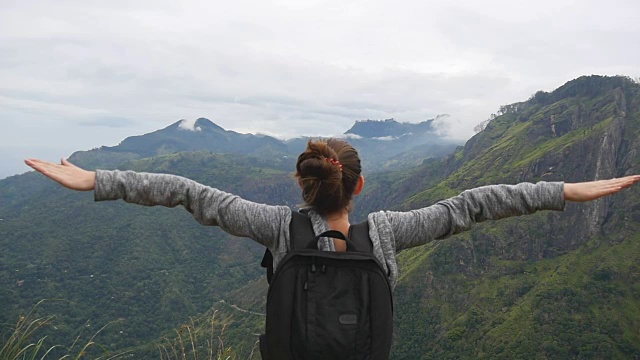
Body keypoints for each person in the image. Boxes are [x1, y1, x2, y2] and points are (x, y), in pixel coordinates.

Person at [25, 138, 640, 289]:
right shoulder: (391, 234)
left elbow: (187, 191)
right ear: (360, 185)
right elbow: (478, 204)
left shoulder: (277, 228)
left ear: (301, 186)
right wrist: (567, 189)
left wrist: (98, 179)